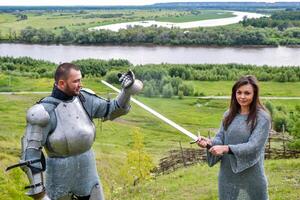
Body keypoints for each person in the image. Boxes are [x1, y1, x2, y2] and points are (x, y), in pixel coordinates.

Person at [17, 63, 143, 200]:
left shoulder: (84, 99)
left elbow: (112, 108)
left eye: (80, 80)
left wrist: (126, 92)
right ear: (61, 83)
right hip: (58, 181)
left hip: (89, 177)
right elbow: (30, 155)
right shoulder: (43, 112)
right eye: (76, 81)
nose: (80, 84)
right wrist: (40, 195)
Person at [197, 75, 271, 200]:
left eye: (247, 93)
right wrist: (209, 143)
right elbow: (221, 137)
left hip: (251, 175)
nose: (242, 97)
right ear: (234, 93)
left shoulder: (262, 118)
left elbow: (254, 146)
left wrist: (226, 148)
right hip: (227, 175)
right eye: (239, 92)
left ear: (254, 94)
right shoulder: (228, 114)